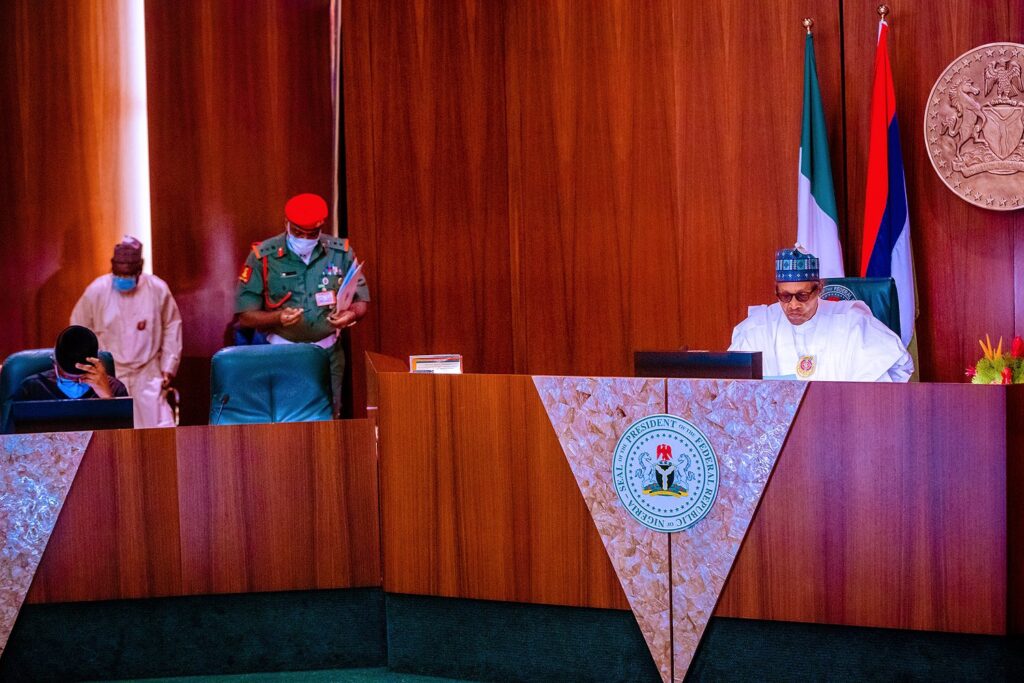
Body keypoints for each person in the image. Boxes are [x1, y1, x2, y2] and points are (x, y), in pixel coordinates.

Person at [235, 193, 370, 416]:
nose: (304, 238)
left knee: (328, 421)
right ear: (286, 223)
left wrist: (351, 315)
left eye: (312, 233)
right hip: (281, 354)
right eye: (298, 232)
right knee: (285, 421)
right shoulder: (263, 256)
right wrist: (277, 318)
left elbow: (361, 301)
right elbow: (245, 315)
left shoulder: (339, 253)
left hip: (327, 355)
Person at [729, 245, 913, 382]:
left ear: (819, 290)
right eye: (785, 296)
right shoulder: (759, 327)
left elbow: (898, 369)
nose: (793, 305)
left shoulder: (853, 324)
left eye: (802, 295)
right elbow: (728, 384)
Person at [70, 236, 183, 427]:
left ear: (140, 268)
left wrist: (168, 368)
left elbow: (172, 326)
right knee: (114, 430)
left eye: (128, 275)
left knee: (159, 431)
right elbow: (78, 329)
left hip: (147, 374)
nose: (123, 278)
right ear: (113, 266)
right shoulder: (97, 291)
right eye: (119, 274)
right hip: (110, 374)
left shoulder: (157, 289)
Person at [14, 325, 129, 401]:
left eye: (83, 377)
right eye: (67, 377)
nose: (75, 382)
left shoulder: (115, 389)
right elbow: (11, 436)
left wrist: (107, 398)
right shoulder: (31, 389)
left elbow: (120, 437)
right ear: (54, 363)